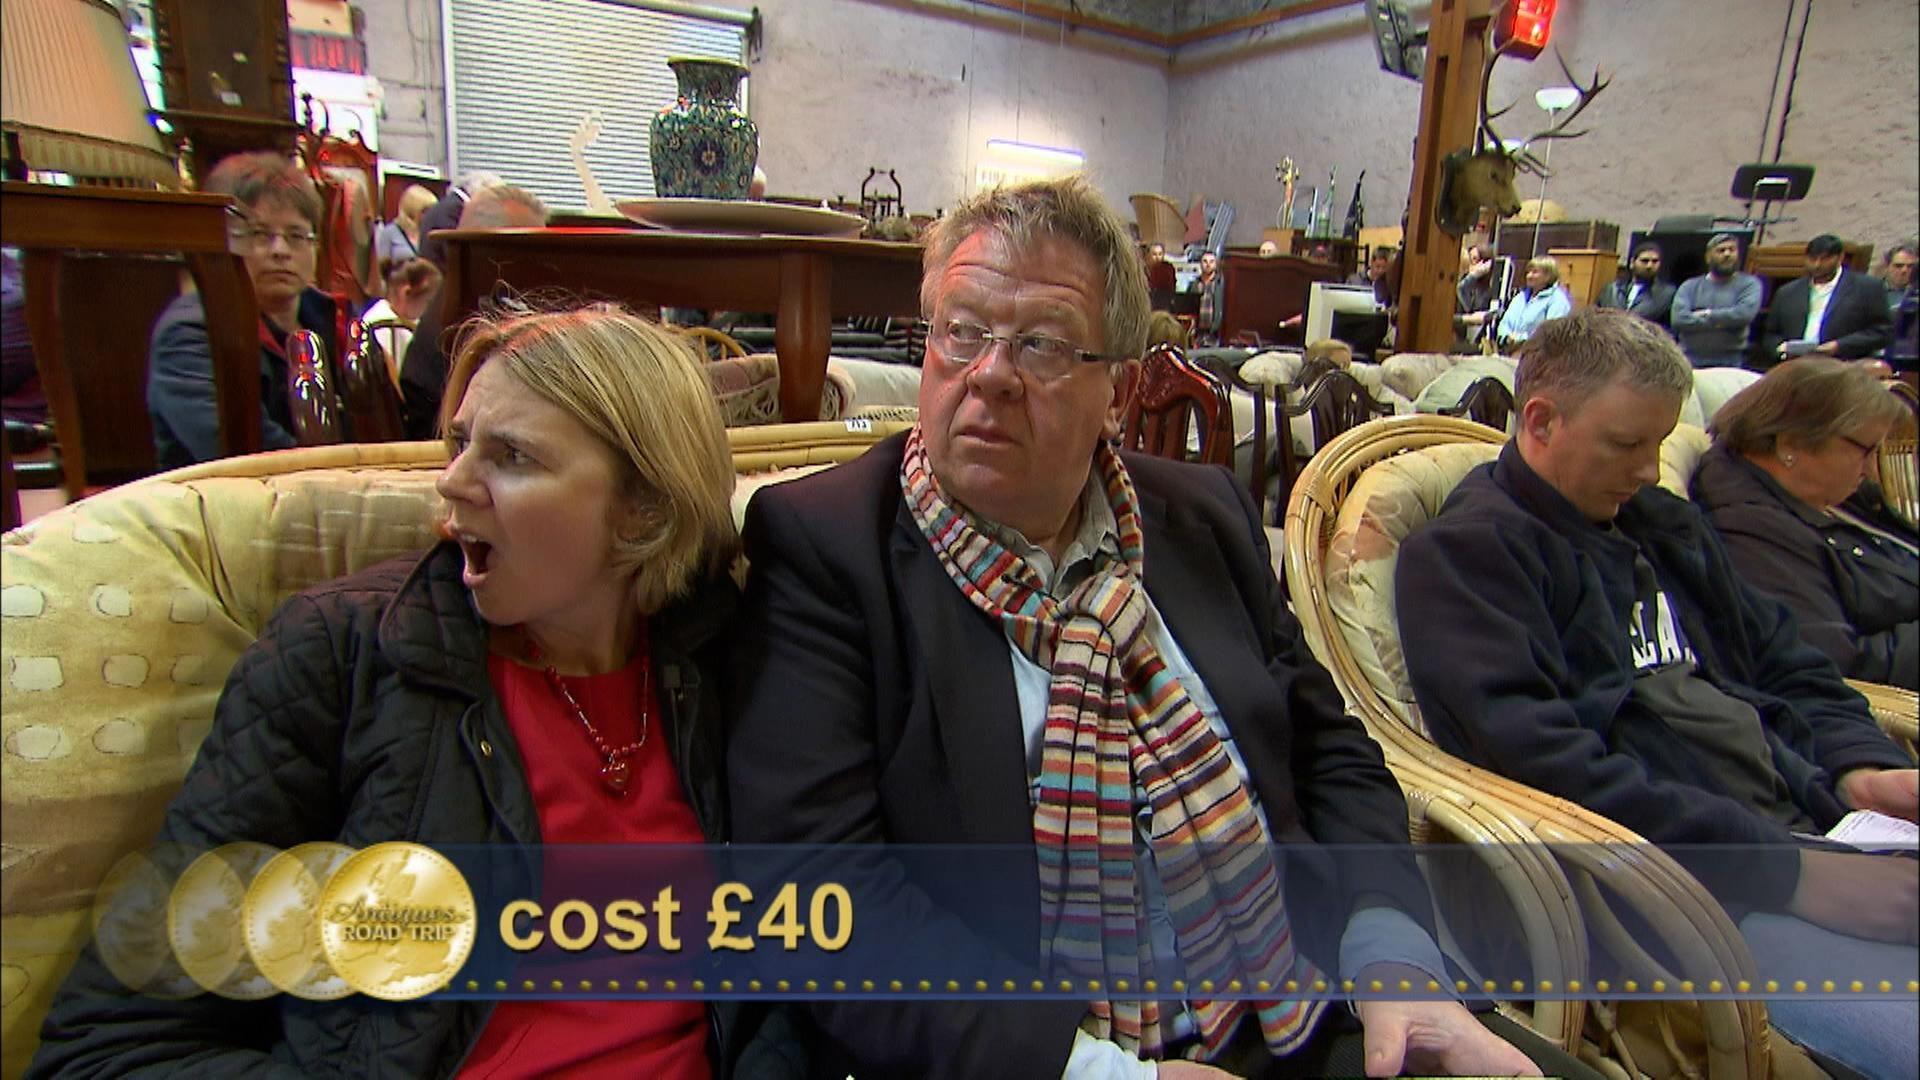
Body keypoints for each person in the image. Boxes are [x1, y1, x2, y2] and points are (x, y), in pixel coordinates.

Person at [728, 175, 1592, 1080]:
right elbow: (819, 897)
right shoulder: (831, 549)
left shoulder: (1201, 517)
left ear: (1119, 390)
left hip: (1304, 1005)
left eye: (1043, 344)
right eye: (962, 331)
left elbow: (1329, 749)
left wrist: (1391, 952)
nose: (989, 374)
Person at [30, 305, 804, 1077]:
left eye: (511, 456)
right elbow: (108, 1045)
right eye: (459, 444)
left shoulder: (729, 651)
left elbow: (792, 973)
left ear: (644, 508)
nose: (450, 483)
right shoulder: (345, 658)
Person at [1396, 307, 1918, 1080]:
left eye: (1660, 443)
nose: (1648, 470)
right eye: (1626, 444)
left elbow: (1787, 661)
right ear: (1540, 421)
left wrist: (1860, 769)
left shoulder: (1661, 525)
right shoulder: (1471, 557)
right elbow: (1549, 770)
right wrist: (1789, 873)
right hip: (1681, 900)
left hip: (1815, 826)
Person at [1691, 357, 1916, 689]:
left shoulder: (1827, 495)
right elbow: (1834, 663)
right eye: (1865, 451)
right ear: (1791, 444)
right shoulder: (1752, 531)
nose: (1872, 470)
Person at [146, 152, 349, 469]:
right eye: (259, 234)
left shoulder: (331, 317)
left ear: (315, 247)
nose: (280, 251)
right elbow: (245, 452)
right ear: (222, 241)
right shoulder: (190, 333)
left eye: (296, 235)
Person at [400, 185, 551, 438]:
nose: (545, 268)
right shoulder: (462, 323)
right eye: (534, 252)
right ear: (489, 250)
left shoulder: (463, 299)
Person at [1757, 234, 1892, 364]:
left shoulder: (1867, 288)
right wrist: (1782, 351)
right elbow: (1770, 335)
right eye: (1812, 259)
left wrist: (1839, 346)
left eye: (1824, 259)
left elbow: (1882, 332)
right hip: (1794, 365)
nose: (1817, 265)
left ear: (1840, 258)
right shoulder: (1787, 292)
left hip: (1844, 364)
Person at [1670, 233, 1763, 368]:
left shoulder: (1749, 284)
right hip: (1690, 359)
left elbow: (1743, 315)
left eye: (1732, 250)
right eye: (1721, 250)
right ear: (1708, 257)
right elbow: (1679, 320)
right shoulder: (1689, 286)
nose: (1727, 254)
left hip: (1730, 361)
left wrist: (1706, 314)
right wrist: (1725, 321)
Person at [358, 257, 443, 386]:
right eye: (428, 302)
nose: (430, 309)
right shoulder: (386, 326)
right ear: (406, 293)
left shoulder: (378, 313)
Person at [416, 170, 504, 268]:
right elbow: (454, 252)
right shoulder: (454, 209)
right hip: (443, 274)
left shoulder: (449, 205)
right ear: (483, 192)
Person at [1595, 242, 1677, 330]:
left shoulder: (1666, 294)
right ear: (1632, 263)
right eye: (1644, 261)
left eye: (1655, 261)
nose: (1649, 266)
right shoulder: (1612, 290)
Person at [1495, 256, 1571, 351]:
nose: (1529, 276)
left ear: (1548, 276)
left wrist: (1520, 340)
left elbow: (1551, 332)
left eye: (1534, 272)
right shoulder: (1519, 297)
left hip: (1538, 354)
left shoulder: (1558, 300)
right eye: (1528, 272)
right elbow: (1505, 322)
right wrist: (1506, 337)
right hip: (1509, 351)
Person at [375, 182, 437, 277]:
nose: (430, 215)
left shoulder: (430, 233)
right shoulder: (389, 232)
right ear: (412, 210)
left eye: (432, 211)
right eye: (425, 211)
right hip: (399, 283)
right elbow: (381, 269)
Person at [1884, 241, 1918, 369]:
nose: (1904, 270)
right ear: (1887, 267)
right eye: (1898, 266)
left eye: (1911, 266)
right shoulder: (1871, 291)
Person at [1193, 249, 1223, 345]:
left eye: (1211, 261)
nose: (1208, 264)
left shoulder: (1220, 284)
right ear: (1200, 264)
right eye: (1205, 261)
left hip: (1215, 334)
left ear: (1216, 264)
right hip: (1198, 333)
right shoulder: (1195, 284)